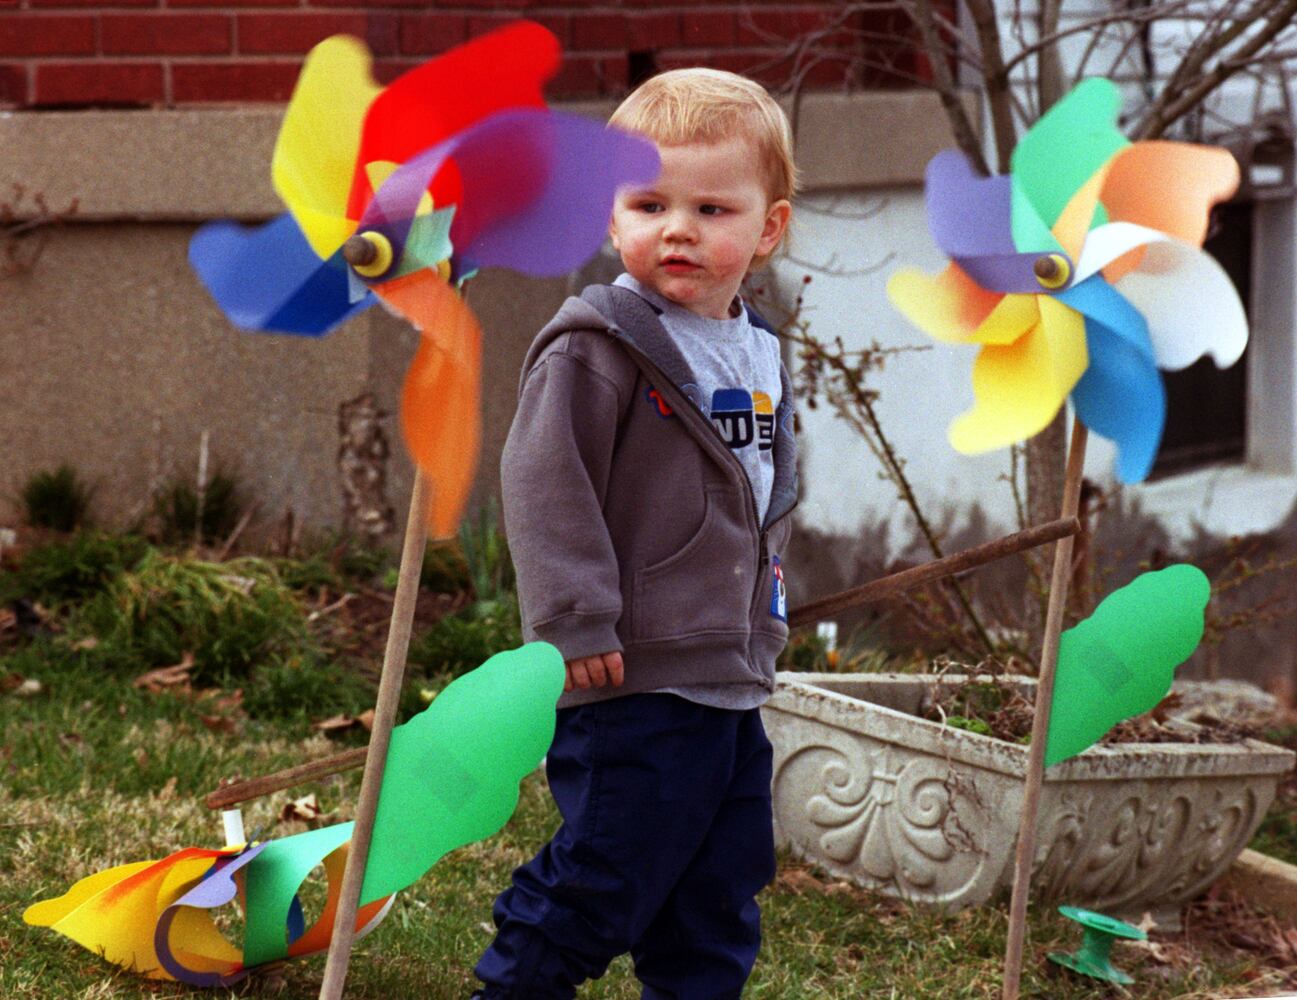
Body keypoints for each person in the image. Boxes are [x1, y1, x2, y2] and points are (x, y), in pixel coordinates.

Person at [472, 66, 798, 999]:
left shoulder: (757, 348)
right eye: (648, 203)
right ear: (610, 221)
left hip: (728, 675)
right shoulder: (597, 347)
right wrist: (574, 619)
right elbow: (543, 481)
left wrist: (764, 602)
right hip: (632, 672)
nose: (678, 228)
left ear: (765, 229)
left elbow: (759, 489)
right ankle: (515, 987)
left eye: (710, 207)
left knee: (717, 889)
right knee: (604, 872)